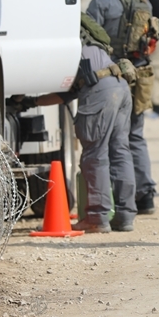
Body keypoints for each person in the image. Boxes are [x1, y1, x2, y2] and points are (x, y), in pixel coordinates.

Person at [33, 14, 137, 233]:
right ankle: (125, 216)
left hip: (100, 92)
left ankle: (97, 218)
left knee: (94, 155)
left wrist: (24, 98)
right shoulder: (88, 41)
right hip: (120, 86)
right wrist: (32, 102)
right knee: (120, 152)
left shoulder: (60, 44)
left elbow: (62, 86)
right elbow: (67, 94)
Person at [85, 0, 159, 216]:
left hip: (111, 79)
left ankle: (116, 202)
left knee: (111, 141)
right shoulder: (143, 0)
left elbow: (89, 44)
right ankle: (145, 196)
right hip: (141, 76)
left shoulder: (101, 3)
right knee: (135, 136)